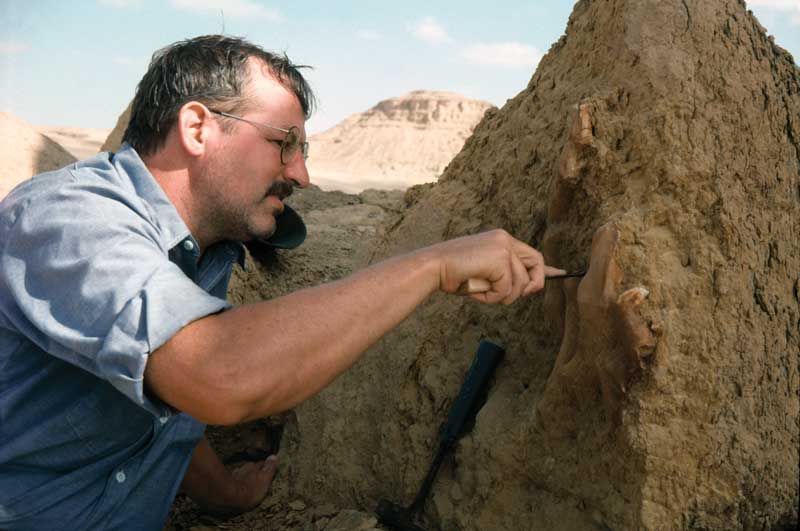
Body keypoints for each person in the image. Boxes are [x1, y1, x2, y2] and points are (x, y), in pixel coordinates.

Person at [0, 35, 564, 529]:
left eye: (304, 149)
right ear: (197, 128)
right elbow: (214, 372)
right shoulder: (69, 220)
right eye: (282, 143)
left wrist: (219, 490)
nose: (302, 174)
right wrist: (432, 266)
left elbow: (154, 388)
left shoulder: (204, 245)